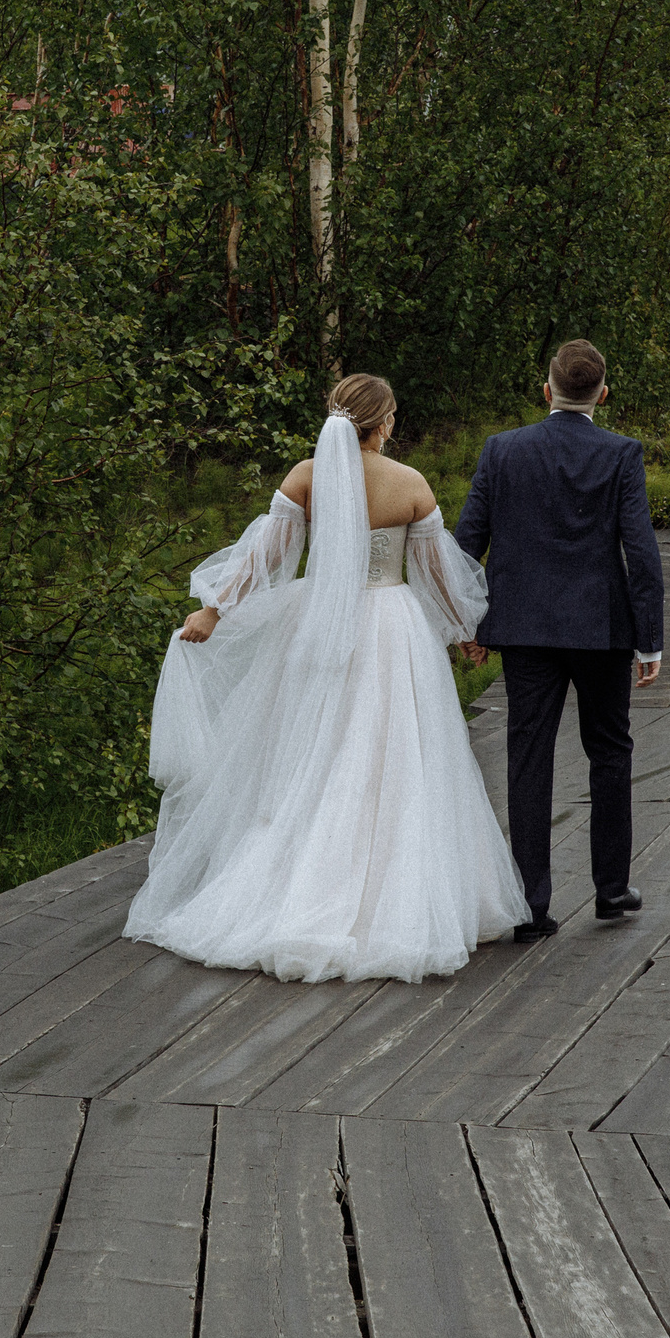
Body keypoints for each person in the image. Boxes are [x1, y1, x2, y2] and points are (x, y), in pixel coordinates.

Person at [128, 374, 530, 983]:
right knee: (392, 759)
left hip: (316, 626)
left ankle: (291, 885)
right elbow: (434, 576)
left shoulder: (306, 476)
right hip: (391, 631)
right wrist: (464, 630)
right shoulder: (410, 486)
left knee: (309, 753)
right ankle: (390, 897)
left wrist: (213, 610)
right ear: (386, 423)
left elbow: (266, 557)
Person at [454, 340, 664, 942]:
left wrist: (464, 623)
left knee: (528, 757)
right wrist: (648, 639)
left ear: (546, 391)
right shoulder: (622, 454)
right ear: (603, 394)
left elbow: (468, 542)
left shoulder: (502, 450)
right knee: (609, 750)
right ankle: (611, 890)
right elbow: (640, 550)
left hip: (524, 630)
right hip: (601, 630)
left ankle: (531, 905)